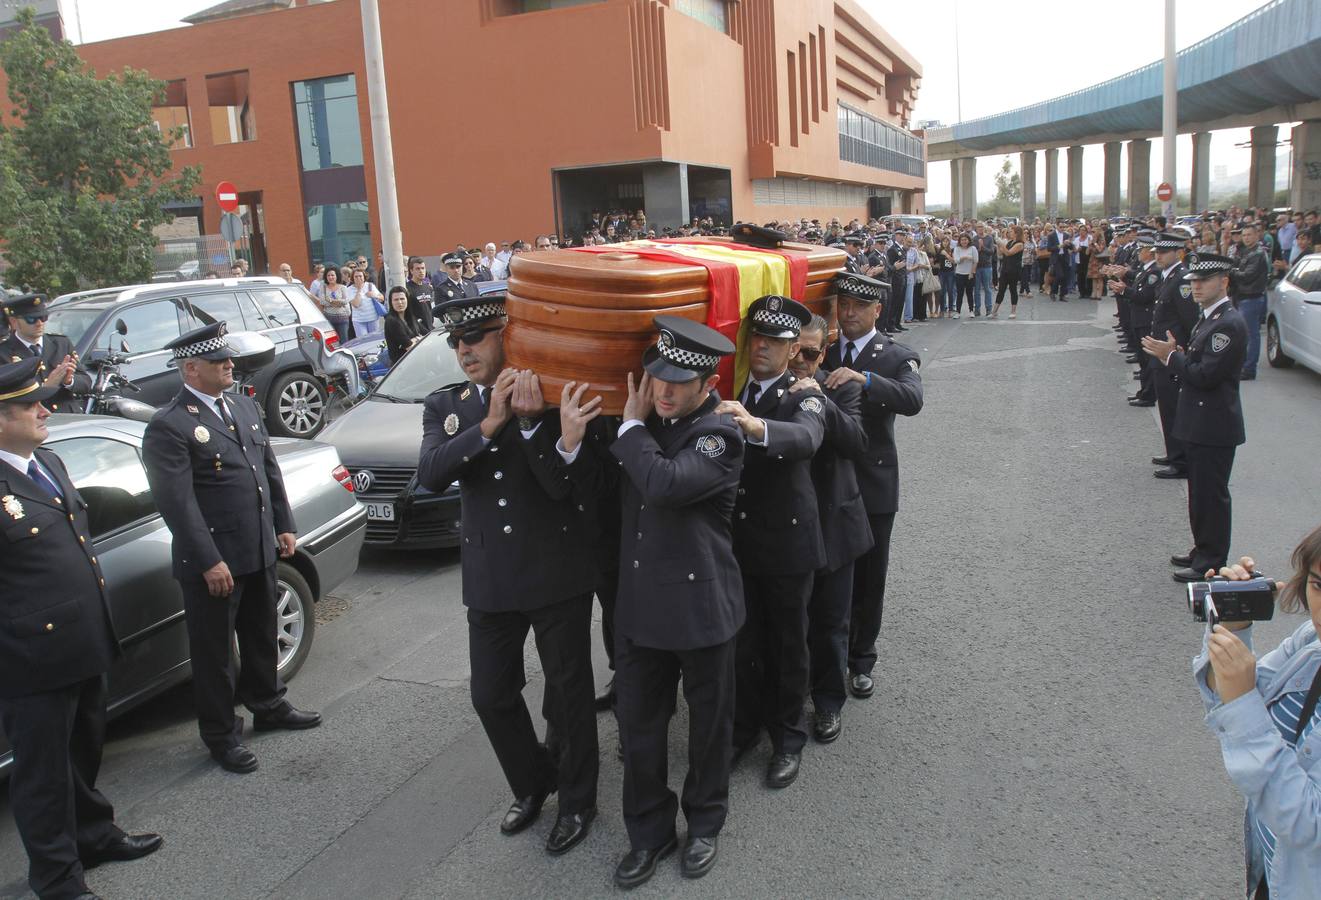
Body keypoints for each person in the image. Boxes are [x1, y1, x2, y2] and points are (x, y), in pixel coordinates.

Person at [556, 317, 743, 887]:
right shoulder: (637, 432)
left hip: (700, 610)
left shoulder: (718, 435)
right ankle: (649, 833)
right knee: (638, 732)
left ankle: (704, 823)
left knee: (708, 729)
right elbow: (597, 493)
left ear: (708, 384)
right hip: (639, 613)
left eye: (677, 382)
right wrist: (571, 441)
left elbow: (663, 484)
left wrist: (631, 427)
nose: (662, 390)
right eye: (656, 376)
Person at [416, 293, 599, 856]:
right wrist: (491, 424)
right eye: (455, 342)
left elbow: (566, 487)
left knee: (568, 696)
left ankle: (577, 801)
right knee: (491, 695)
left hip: (554, 570)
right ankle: (534, 781)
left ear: (505, 336)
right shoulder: (447, 405)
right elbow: (430, 473)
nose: (463, 350)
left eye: (475, 338)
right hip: (491, 577)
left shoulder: (548, 394)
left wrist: (526, 425)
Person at [0, 358, 163, 900]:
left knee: (82, 752)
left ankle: (91, 836)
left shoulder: (44, 461)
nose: (45, 409)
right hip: (30, 658)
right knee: (42, 775)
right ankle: (56, 878)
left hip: (82, 639)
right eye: (30, 405)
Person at [142, 323, 321, 774]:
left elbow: (268, 470)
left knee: (261, 634)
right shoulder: (170, 425)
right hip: (214, 563)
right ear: (190, 368)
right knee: (216, 655)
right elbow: (176, 504)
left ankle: (268, 704)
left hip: (258, 545)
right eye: (218, 360)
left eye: (228, 358)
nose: (229, 365)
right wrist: (208, 560)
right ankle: (222, 734)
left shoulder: (240, 404)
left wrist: (283, 524)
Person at [720, 296, 825, 789]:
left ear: (791, 350)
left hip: (785, 545)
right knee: (742, 645)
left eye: (775, 341)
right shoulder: (731, 386)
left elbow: (805, 438)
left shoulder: (802, 394)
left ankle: (786, 737)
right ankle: (744, 728)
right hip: (739, 546)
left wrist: (755, 426)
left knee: (787, 647)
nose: (762, 347)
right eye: (756, 338)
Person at [1194, 536, 1321, 899]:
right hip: (1276, 870)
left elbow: (1309, 825)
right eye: (1318, 585)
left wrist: (1242, 700)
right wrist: (1232, 628)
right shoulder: (1312, 641)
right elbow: (1232, 697)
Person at [821, 273, 923, 699]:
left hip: (873, 481)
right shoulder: (822, 350)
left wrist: (863, 380)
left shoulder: (896, 355)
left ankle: (862, 659)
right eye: (843, 305)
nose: (848, 314)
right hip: (830, 481)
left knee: (870, 575)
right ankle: (829, 655)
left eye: (858, 307)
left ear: (877, 311)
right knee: (831, 573)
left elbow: (912, 399)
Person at [787, 315, 871, 744]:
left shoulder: (841, 385)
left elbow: (857, 441)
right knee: (791, 622)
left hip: (836, 522)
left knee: (831, 621)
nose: (800, 360)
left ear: (824, 353)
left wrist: (820, 398)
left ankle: (828, 703)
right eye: (793, 349)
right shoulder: (772, 389)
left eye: (810, 352)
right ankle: (791, 694)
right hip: (790, 528)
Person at [1142, 253, 1248, 583]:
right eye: (1194, 281)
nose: (1197, 287)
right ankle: (1202, 549)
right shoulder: (1210, 317)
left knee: (1211, 496)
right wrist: (1178, 353)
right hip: (1201, 422)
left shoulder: (1227, 324)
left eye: (1204, 281)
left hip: (1214, 425)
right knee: (1199, 493)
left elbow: (1205, 376)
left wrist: (1171, 356)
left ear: (1224, 282)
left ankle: (1211, 561)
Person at [1, 294, 91, 413]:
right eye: (31, 319)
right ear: (14, 322)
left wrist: (69, 381)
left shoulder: (61, 343)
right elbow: (8, 398)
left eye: (43, 317)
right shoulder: (4, 352)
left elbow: (86, 383)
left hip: (68, 416)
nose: (39, 323)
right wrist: (47, 386)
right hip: (33, 419)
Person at [1233, 223, 1271, 381]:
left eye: (1249, 234)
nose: (1246, 238)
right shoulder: (1243, 250)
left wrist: (1232, 271)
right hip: (1241, 296)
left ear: (1257, 235)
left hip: (1251, 297)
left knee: (1251, 334)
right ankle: (1244, 365)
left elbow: (1248, 275)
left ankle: (1249, 369)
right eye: (1244, 235)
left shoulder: (1258, 253)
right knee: (1243, 334)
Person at [383, 285, 424, 365]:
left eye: (402, 299)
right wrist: (418, 338)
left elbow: (427, 334)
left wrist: (415, 339)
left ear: (407, 300)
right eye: (396, 300)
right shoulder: (392, 321)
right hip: (401, 366)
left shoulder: (411, 318)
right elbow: (409, 347)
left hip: (417, 361)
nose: (400, 302)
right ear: (391, 302)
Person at [991, 226, 1025, 319]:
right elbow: (1000, 254)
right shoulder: (1010, 242)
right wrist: (998, 244)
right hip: (1005, 269)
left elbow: (1009, 253)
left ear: (1016, 233)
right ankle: (994, 311)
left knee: (1013, 289)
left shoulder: (1020, 244)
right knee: (1001, 290)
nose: (1009, 233)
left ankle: (1013, 311)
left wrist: (1001, 243)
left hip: (1014, 270)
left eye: (1011, 231)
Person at [434, 251, 479, 316]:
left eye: (458, 266)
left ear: (462, 267)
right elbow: (441, 314)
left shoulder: (472, 285)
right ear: (446, 269)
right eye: (452, 267)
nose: (456, 270)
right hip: (456, 325)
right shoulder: (441, 289)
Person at [347, 267, 385, 337]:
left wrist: (375, 295)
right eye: (356, 276)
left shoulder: (370, 285)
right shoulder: (349, 289)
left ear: (364, 277)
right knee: (363, 341)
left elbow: (382, 298)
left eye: (360, 276)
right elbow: (356, 304)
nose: (358, 278)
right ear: (353, 278)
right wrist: (359, 289)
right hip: (358, 320)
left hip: (373, 318)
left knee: (374, 339)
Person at [318, 265, 352, 344]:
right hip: (329, 319)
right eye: (328, 275)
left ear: (337, 276)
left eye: (332, 275)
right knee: (332, 342)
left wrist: (330, 300)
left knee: (344, 341)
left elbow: (346, 301)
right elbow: (322, 302)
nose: (330, 277)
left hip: (343, 318)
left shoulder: (343, 287)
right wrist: (338, 303)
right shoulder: (323, 287)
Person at [404, 256, 436, 332]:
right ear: (411, 271)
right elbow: (408, 314)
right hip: (417, 330)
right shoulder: (407, 288)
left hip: (430, 328)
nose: (421, 271)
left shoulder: (427, 287)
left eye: (423, 268)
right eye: (417, 269)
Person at [951, 233, 977, 319]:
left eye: (965, 240)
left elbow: (975, 261)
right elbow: (956, 261)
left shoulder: (973, 248)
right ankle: (958, 312)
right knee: (960, 293)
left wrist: (971, 273)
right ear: (960, 241)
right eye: (962, 240)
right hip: (959, 273)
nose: (964, 241)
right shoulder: (957, 249)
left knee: (969, 293)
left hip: (969, 274)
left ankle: (971, 311)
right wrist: (964, 258)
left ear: (969, 240)